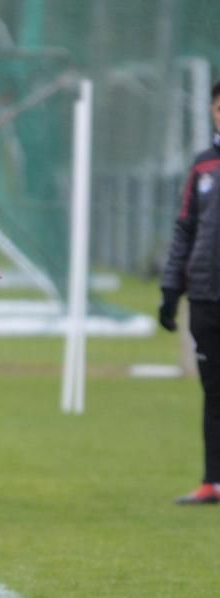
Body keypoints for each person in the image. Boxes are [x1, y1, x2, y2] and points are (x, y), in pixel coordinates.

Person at [159, 79, 220, 505]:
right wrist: (169, 288)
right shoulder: (202, 167)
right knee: (213, 390)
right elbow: (185, 229)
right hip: (205, 295)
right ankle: (212, 481)